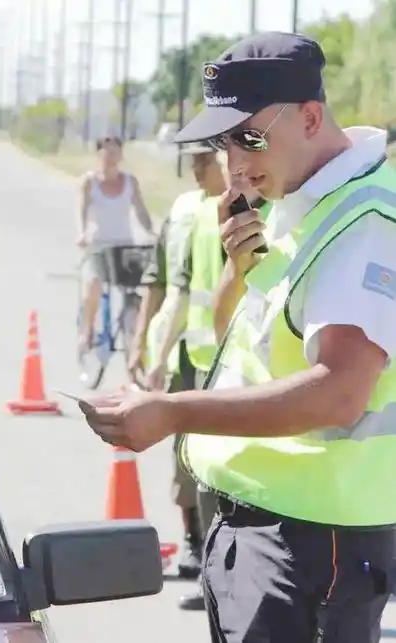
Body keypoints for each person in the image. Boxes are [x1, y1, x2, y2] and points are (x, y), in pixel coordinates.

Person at [78, 31, 396, 642]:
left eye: (249, 138)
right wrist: (238, 273)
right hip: (272, 535)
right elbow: (247, 352)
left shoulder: (364, 223)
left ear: (309, 117)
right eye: (223, 144)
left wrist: (172, 412)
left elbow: (339, 394)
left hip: (312, 545)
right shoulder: (297, 205)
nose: (236, 165)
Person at [174, 150, 272, 612]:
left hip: (270, 385)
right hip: (216, 363)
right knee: (210, 476)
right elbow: (218, 310)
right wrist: (234, 266)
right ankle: (217, 579)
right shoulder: (213, 217)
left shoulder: (296, 214)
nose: (235, 171)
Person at [128, 144, 223, 582]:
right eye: (194, 160)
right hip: (187, 354)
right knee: (185, 454)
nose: (197, 167)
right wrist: (143, 346)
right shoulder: (188, 211)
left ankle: (217, 548)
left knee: (217, 459)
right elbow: (162, 282)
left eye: (206, 157)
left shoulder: (251, 209)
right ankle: (194, 541)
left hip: (223, 361)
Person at [77, 136, 154, 363]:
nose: (110, 157)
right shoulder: (89, 182)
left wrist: (152, 231)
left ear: (121, 155)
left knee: (141, 288)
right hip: (98, 245)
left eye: (115, 152)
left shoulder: (130, 181)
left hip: (125, 245)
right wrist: (82, 232)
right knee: (93, 284)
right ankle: (88, 330)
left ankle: (134, 335)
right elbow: (81, 209)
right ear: (98, 155)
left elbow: (141, 210)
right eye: (106, 152)